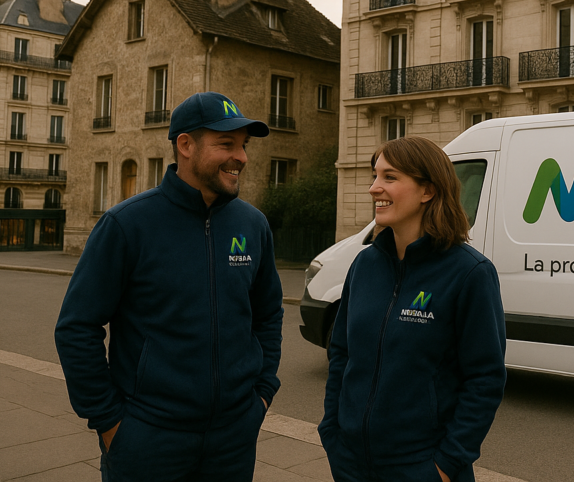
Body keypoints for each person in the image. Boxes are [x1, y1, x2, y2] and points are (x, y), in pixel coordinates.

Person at [54, 92, 284, 482]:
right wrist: (111, 423)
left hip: (233, 439)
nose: (241, 157)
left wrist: (260, 395)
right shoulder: (128, 224)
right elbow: (77, 327)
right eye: (226, 144)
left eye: (243, 146)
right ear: (185, 145)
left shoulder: (253, 225)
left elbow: (268, 314)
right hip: (148, 439)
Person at [319, 136, 507, 482]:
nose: (375, 188)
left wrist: (447, 463)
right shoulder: (365, 264)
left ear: (428, 191)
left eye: (390, 177)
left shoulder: (469, 273)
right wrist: (332, 430)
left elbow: (485, 379)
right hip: (351, 462)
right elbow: (342, 354)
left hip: (421, 467)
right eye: (375, 176)